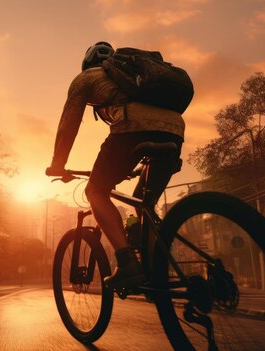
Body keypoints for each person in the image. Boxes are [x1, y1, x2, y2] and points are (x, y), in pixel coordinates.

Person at [46, 41, 185, 290]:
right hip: (175, 130)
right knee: (145, 203)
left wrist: (58, 164)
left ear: (88, 64)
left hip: (132, 129)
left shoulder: (86, 77)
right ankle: (156, 274)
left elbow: (69, 122)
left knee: (95, 191)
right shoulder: (135, 76)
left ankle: (127, 264)